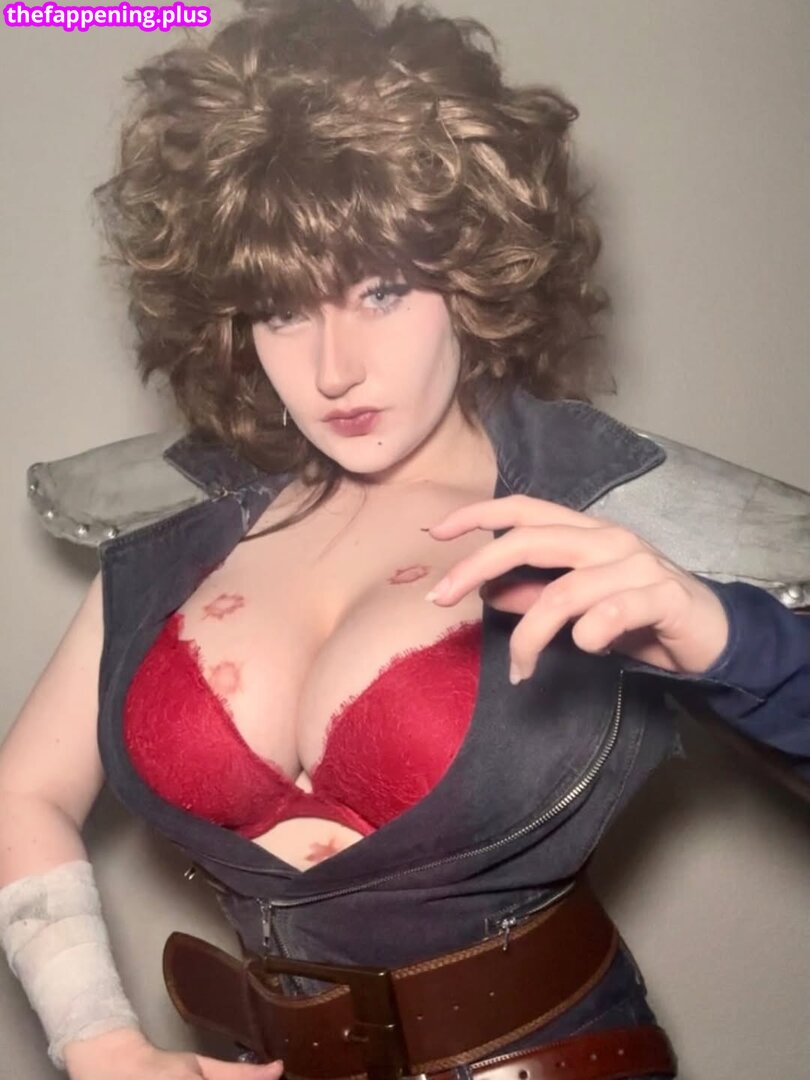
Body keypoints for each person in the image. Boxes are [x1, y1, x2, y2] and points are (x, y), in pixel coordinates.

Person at [1, 2, 809, 1079]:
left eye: (382, 290)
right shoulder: (180, 519)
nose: (334, 368)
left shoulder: (612, 504)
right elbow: (23, 795)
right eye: (282, 308)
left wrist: (726, 640)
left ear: (472, 271)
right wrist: (98, 1041)